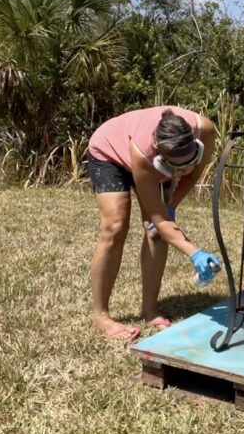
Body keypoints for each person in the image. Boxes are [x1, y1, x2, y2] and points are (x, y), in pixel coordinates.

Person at [87, 105, 219, 341]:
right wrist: (195, 253)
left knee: (155, 234)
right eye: (175, 168)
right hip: (109, 151)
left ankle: (150, 309)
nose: (183, 171)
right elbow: (161, 221)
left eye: (188, 163)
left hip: (152, 162)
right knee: (115, 226)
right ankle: (101, 315)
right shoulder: (144, 155)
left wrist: (170, 206)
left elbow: (194, 175)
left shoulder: (206, 131)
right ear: (160, 157)